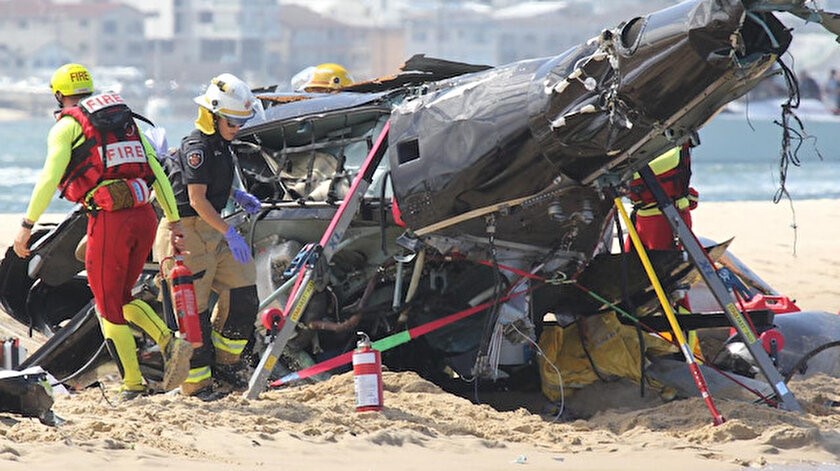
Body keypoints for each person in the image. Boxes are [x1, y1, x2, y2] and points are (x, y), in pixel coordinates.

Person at [12, 63, 193, 400]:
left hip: (110, 222)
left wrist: (26, 226)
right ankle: (169, 342)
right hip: (144, 218)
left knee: (107, 308)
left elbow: (49, 178)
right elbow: (156, 170)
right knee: (121, 299)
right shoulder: (124, 121)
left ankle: (135, 382)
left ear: (58, 95)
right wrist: (174, 221)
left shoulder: (68, 126)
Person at [153, 73, 263, 400]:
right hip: (186, 232)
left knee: (243, 293)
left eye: (242, 122)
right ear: (212, 116)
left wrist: (235, 194)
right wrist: (230, 232)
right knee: (193, 315)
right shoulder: (197, 148)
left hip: (212, 229)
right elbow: (197, 199)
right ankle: (196, 386)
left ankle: (227, 365)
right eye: (233, 122)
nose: (238, 128)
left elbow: (212, 184)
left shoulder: (221, 145)